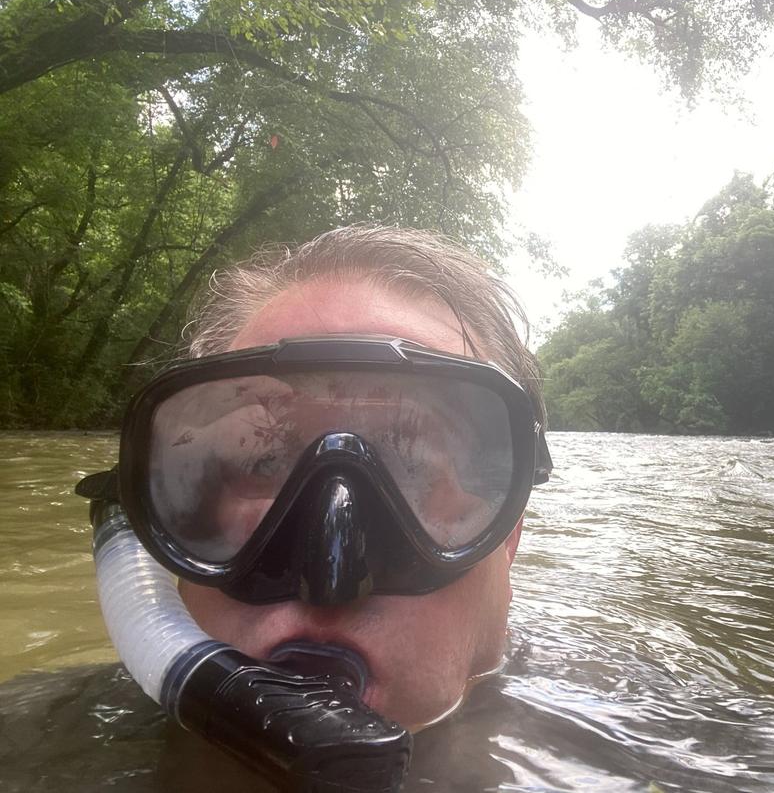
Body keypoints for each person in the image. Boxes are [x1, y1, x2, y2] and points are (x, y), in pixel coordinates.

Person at [69, 224, 552, 789]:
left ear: (509, 538)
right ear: (164, 522)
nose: (330, 573)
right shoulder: (37, 745)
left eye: (412, 464)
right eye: (262, 463)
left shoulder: (642, 740)